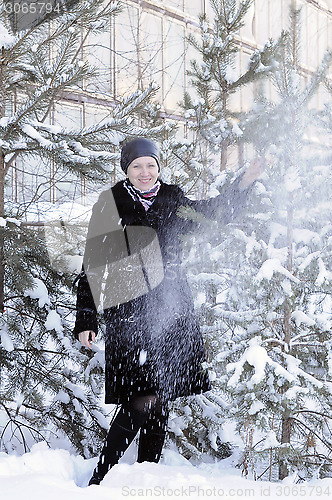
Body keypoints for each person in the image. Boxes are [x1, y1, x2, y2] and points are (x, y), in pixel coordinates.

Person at [73, 138, 263, 486]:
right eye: (136, 166)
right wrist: (86, 316)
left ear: (159, 167)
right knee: (140, 399)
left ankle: (145, 479)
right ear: (126, 169)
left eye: (151, 165)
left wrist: (244, 183)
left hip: (171, 310)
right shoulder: (110, 204)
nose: (145, 172)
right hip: (128, 313)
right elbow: (91, 262)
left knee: (159, 399)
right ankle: (101, 480)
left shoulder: (172, 199)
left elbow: (211, 214)